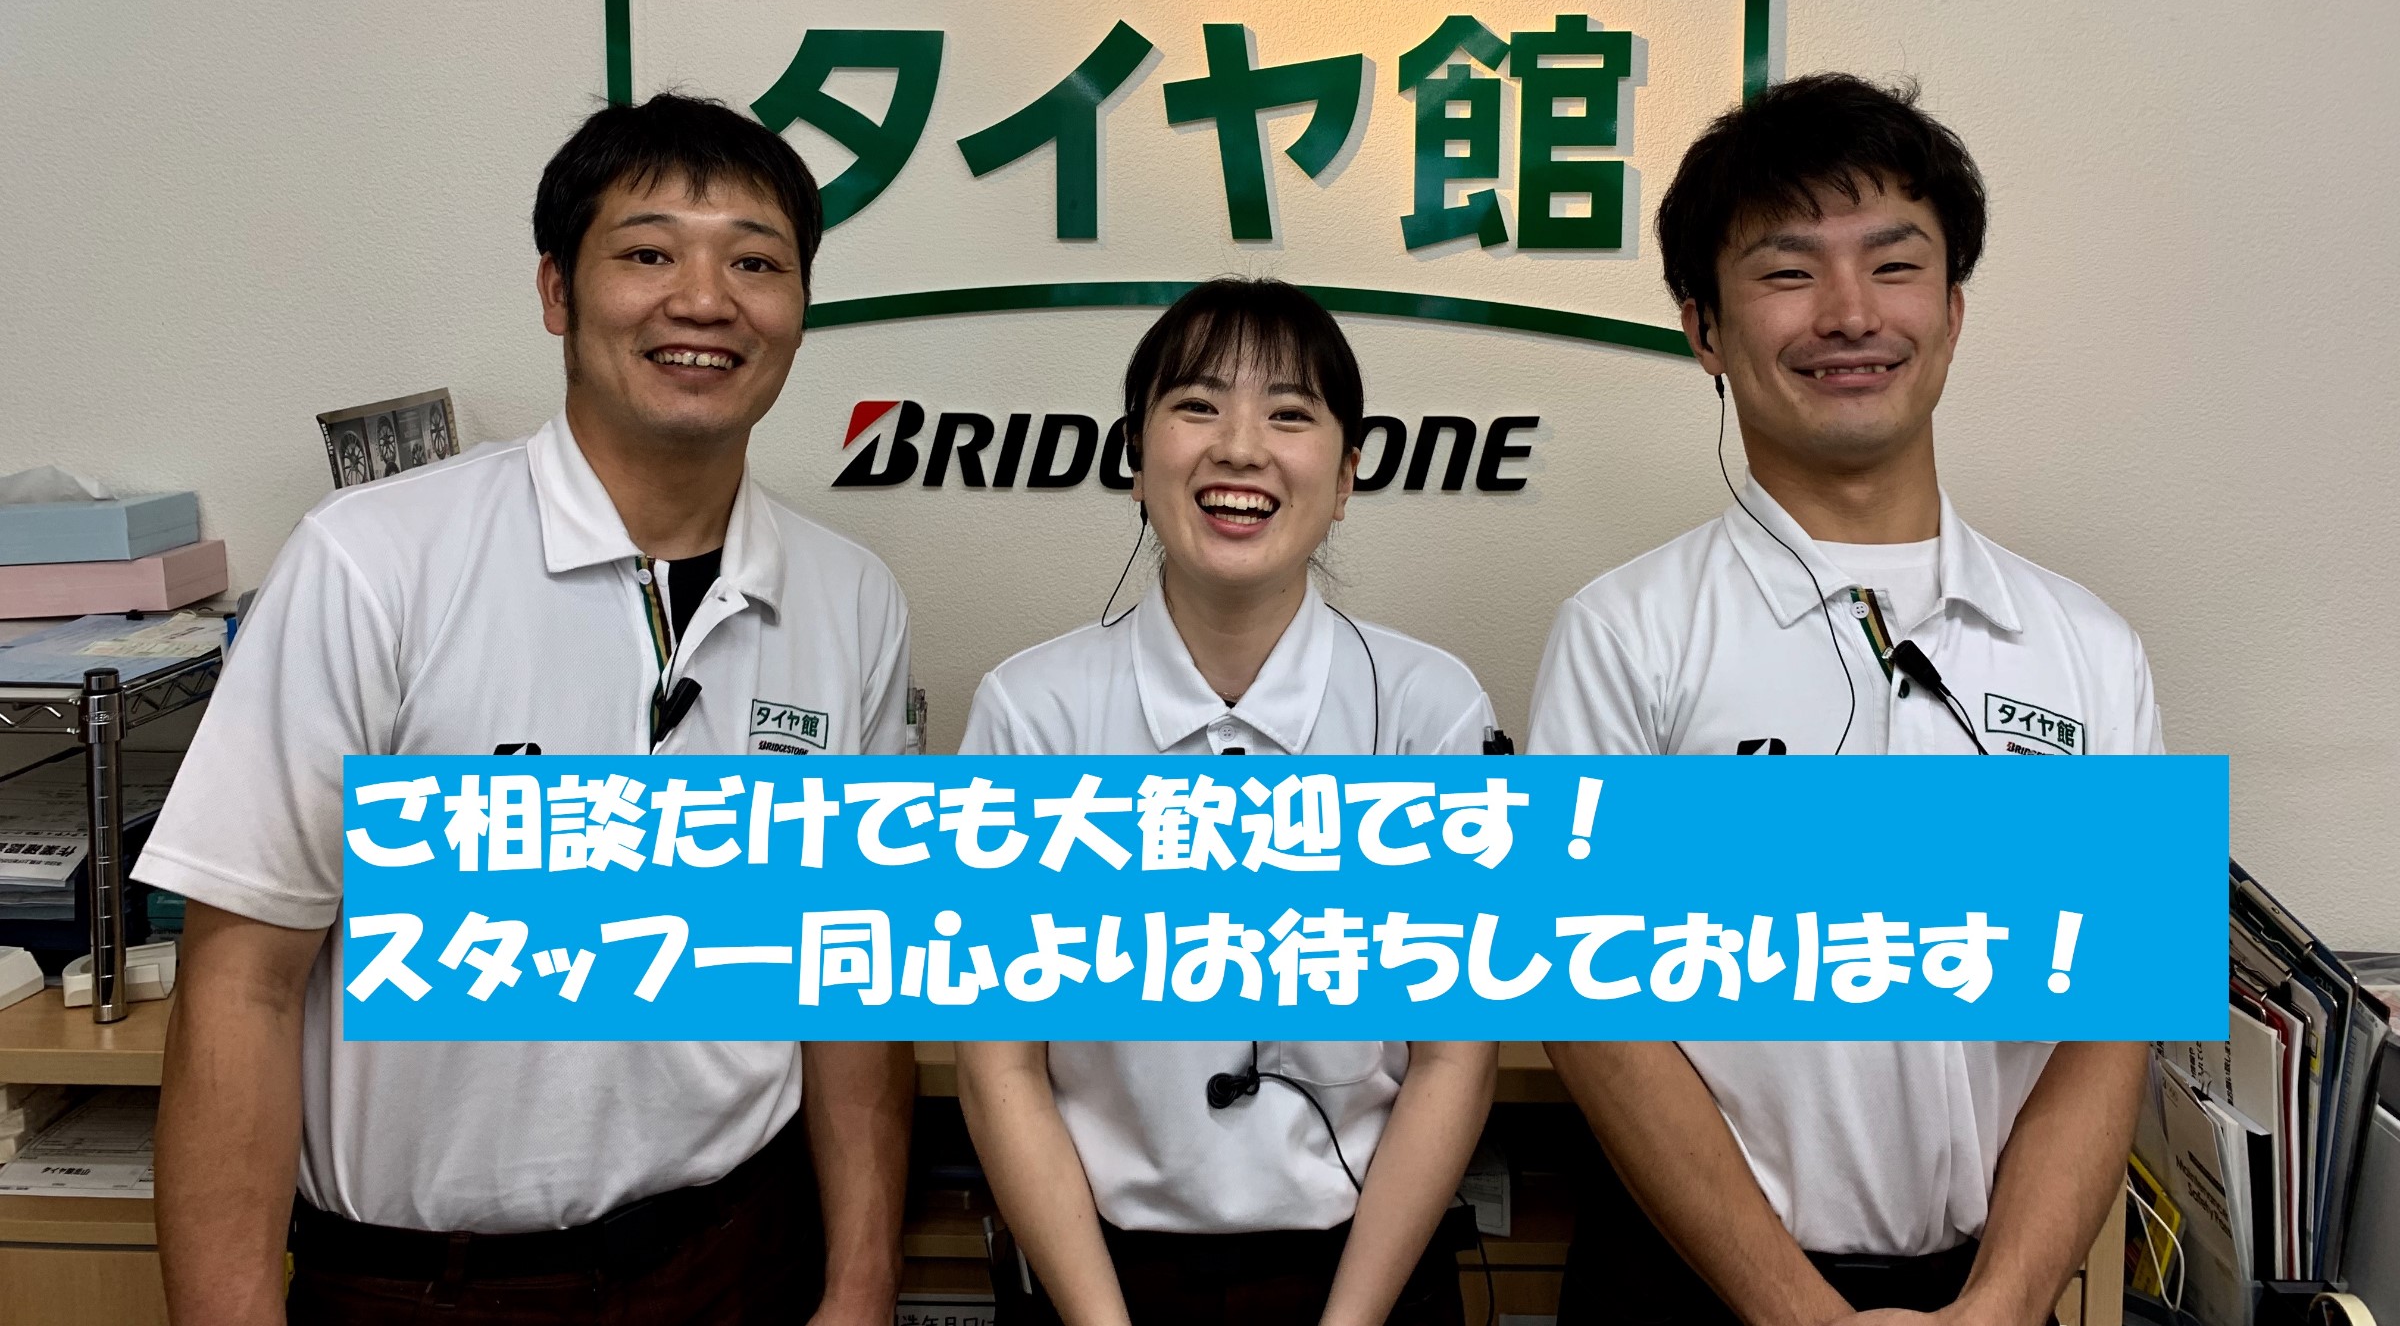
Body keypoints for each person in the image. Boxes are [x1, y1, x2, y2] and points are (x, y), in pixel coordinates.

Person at [137, 95, 917, 1325]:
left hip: (736, 1260)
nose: (704, 300)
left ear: (800, 307)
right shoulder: (375, 561)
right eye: (648, 253)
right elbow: (244, 984)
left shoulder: (849, 598)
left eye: (756, 263)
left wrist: (860, 1284)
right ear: (558, 290)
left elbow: (850, 977)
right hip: (426, 1283)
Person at [1530, 76, 2160, 1326]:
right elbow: (1591, 1015)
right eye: (1787, 271)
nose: (1851, 313)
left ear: (1953, 310)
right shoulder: (1624, 636)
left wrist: (2005, 1304)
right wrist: (1795, 1313)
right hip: (1689, 1290)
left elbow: (2109, 1022)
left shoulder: (2091, 651)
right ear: (1704, 330)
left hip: (1986, 1291)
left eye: (1895, 264)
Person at [955, 279, 1498, 1326]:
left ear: (1347, 476)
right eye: (1197, 406)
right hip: (1098, 1279)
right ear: (1134, 456)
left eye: (1290, 414)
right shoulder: (1033, 712)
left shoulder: (1430, 709)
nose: (1241, 448)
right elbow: (999, 1066)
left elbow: (1453, 1060)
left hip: (1368, 1274)